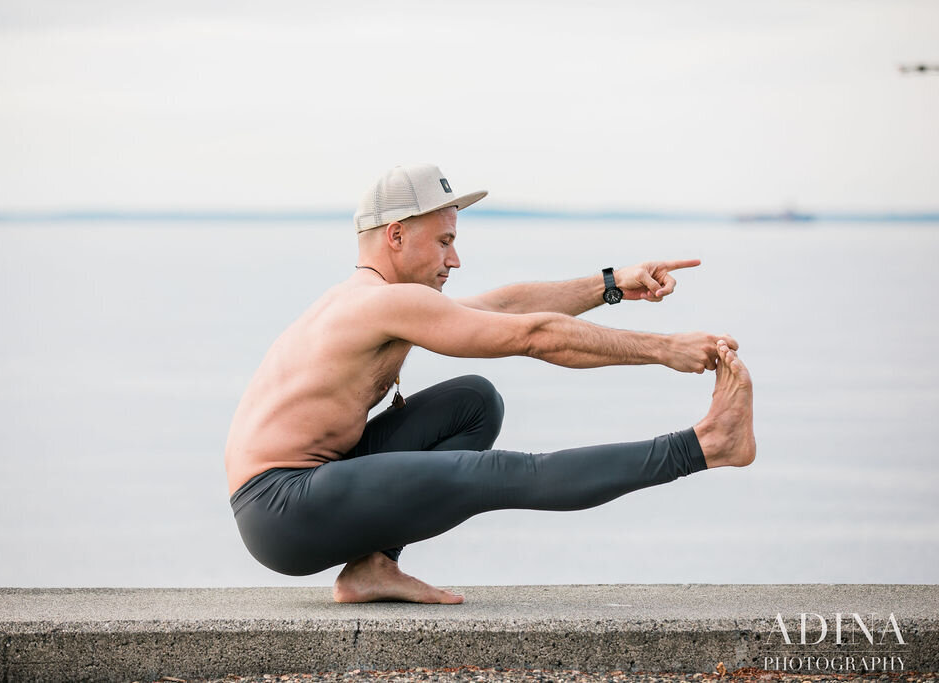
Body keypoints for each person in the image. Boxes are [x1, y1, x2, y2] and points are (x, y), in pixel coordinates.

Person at [225, 163, 756, 604]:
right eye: (444, 241)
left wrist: (613, 284)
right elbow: (535, 336)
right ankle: (704, 446)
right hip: (283, 509)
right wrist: (665, 349)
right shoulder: (381, 302)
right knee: (497, 473)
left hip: (308, 486)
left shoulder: (373, 297)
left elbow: (505, 305)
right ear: (396, 235)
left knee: (473, 402)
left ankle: (372, 567)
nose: (454, 259)